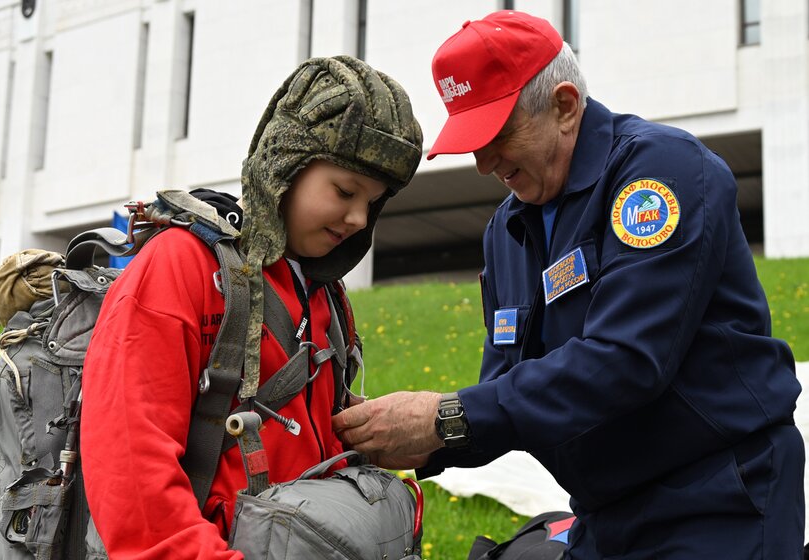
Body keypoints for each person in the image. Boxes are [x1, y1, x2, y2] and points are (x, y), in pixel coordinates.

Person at [332, 10, 805, 559]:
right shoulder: (505, 232)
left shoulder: (660, 174)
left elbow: (626, 360)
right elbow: (507, 391)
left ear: (564, 105)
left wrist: (442, 417)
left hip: (716, 499)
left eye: (497, 135)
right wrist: (388, 437)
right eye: (471, 141)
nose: (485, 164)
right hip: (603, 515)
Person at [81, 55, 422, 559]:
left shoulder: (322, 291)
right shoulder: (181, 266)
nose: (356, 217)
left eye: (372, 202)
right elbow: (131, 465)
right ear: (286, 162)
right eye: (345, 191)